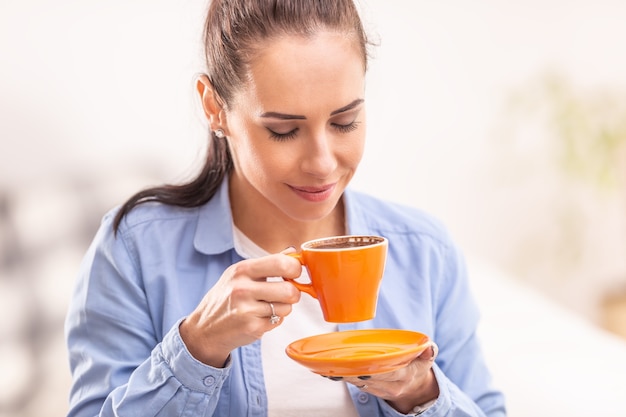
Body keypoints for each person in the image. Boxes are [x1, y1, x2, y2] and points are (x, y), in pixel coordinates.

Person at [64, 0, 506, 416]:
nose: (322, 163)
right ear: (214, 107)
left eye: (344, 122)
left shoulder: (424, 250)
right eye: (283, 130)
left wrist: (421, 394)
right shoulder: (136, 249)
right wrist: (196, 348)